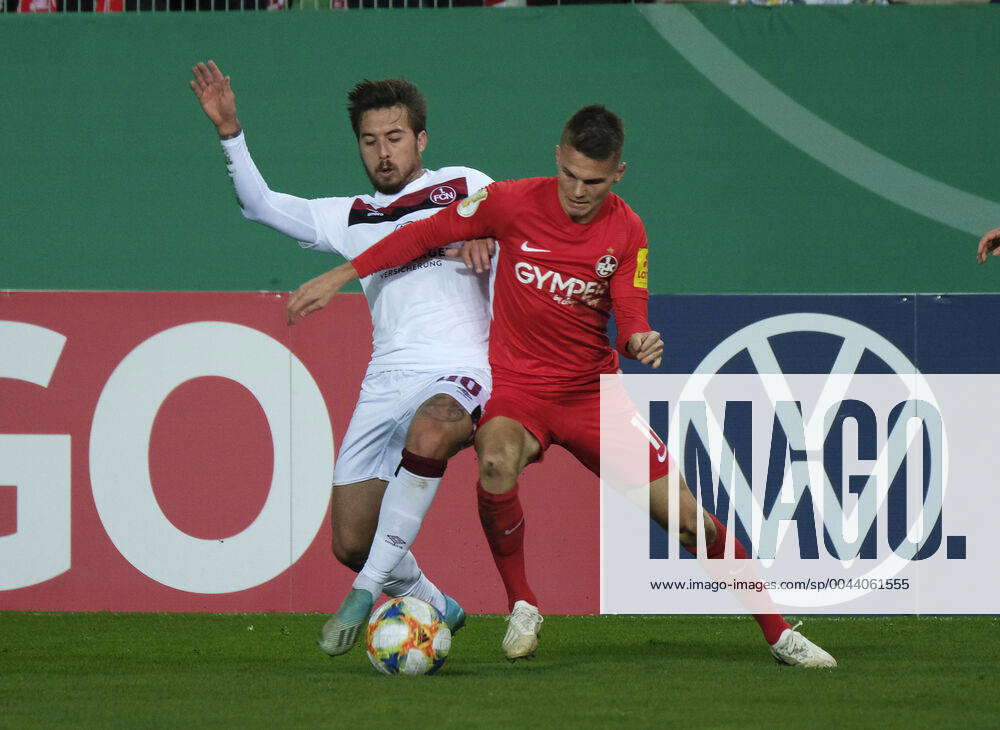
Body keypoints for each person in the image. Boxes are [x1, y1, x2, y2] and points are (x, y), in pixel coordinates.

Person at [287, 105, 838, 668]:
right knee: (497, 463)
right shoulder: (509, 201)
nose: (578, 190)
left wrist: (640, 339)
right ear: (558, 157)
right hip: (517, 393)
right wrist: (340, 274)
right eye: (570, 174)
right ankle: (522, 603)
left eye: (593, 181)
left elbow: (632, 311)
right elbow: (425, 232)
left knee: (691, 521)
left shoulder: (627, 230)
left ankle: (777, 632)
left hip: (590, 398)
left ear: (618, 173)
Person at [189, 61, 504, 656]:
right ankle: (440, 607)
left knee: (434, 425)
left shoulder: (464, 184)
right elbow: (261, 205)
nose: (383, 153)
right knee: (352, 541)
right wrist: (231, 131)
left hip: (460, 370)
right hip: (384, 380)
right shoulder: (350, 214)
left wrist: (493, 230)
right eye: (370, 141)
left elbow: (519, 220)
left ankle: (361, 601)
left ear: (421, 140)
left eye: (395, 138)